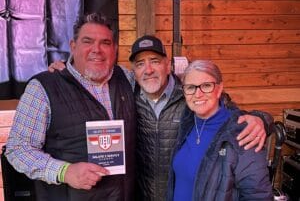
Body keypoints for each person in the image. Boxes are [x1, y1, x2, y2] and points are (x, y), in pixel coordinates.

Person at [49, 35, 272, 201]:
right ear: (133, 72)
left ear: (168, 65)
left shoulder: (189, 94)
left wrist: (261, 119)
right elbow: (94, 74)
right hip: (142, 195)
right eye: (140, 64)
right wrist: (68, 71)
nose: (148, 70)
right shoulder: (128, 93)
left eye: (155, 61)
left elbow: (227, 112)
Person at [5, 12, 136, 201]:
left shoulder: (127, 79)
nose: (96, 49)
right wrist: (64, 172)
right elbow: (18, 148)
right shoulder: (43, 88)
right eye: (87, 41)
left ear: (115, 49)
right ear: (73, 47)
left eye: (105, 43)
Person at [166, 60, 273, 201]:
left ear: (219, 88)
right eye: (191, 87)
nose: (198, 94)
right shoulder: (188, 123)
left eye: (206, 86)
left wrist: (262, 119)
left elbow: (258, 196)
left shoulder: (243, 132)